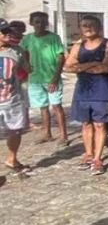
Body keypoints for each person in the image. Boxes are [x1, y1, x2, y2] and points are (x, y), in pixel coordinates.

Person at [63, 16, 108, 175]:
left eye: (91, 25)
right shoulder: (78, 46)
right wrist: (92, 64)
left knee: (100, 124)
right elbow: (68, 67)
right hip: (83, 90)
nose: (87, 28)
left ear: (99, 27)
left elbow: (105, 68)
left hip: (102, 89)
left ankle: (97, 158)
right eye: (84, 25)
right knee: (85, 123)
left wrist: (80, 67)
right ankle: (88, 154)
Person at [20, 12, 68, 146]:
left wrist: (55, 78)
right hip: (35, 79)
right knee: (43, 107)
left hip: (51, 78)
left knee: (56, 105)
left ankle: (63, 135)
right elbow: (21, 52)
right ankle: (47, 134)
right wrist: (25, 65)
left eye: (43, 22)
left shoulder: (53, 38)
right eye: (37, 22)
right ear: (31, 23)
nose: (40, 25)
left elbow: (60, 58)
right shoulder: (28, 39)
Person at [0, 23, 32, 173]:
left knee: (16, 130)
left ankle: (12, 159)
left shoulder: (17, 50)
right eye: (3, 32)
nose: (8, 34)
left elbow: (27, 68)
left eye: (8, 31)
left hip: (12, 98)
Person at [7, 21, 34, 129]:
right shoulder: (7, 41)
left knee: (25, 100)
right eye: (12, 29)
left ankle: (26, 121)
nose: (14, 31)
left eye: (18, 29)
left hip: (24, 76)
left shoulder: (27, 40)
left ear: (23, 30)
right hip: (10, 77)